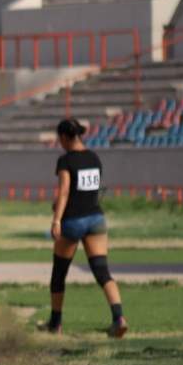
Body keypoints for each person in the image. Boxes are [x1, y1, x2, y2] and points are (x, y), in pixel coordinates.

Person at [44, 119, 126, 338]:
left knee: (59, 273)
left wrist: (56, 219)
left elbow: (64, 192)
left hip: (72, 221)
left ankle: (55, 323)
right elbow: (94, 190)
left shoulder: (65, 161)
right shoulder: (94, 158)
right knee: (102, 271)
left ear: (63, 137)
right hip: (96, 219)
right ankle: (119, 317)